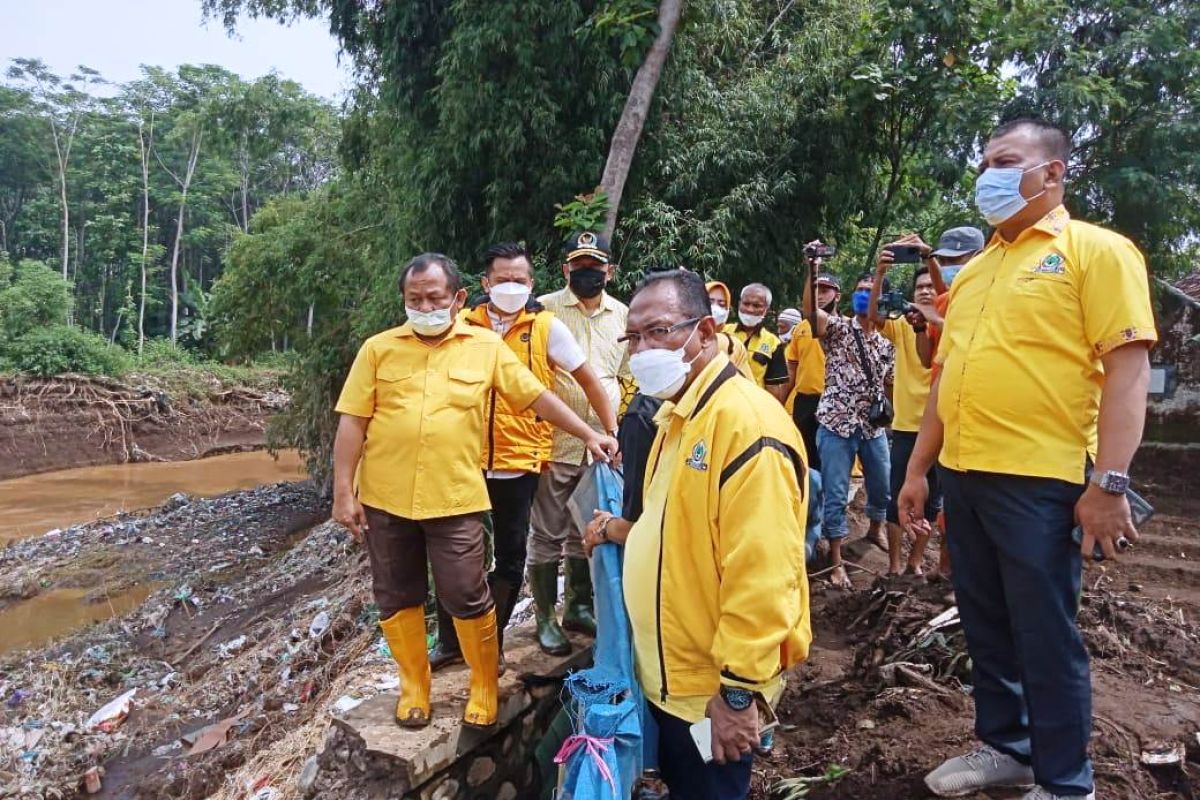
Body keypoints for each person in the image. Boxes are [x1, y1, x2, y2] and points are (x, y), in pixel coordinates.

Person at [899, 118, 1156, 800]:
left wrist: (1110, 482)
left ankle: (1066, 782)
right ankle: (1007, 749)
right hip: (967, 474)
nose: (987, 173)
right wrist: (920, 470)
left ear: (1052, 173)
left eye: (1005, 160)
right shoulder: (978, 270)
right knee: (985, 622)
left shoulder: (1095, 252)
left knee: (1045, 633)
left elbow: (1127, 371)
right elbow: (946, 378)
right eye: (983, 161)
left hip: (1042, 479)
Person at [331, 253, 619, 730]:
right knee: (396, 593)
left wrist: (589, 433)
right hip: (385, 497)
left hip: (455, 497)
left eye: (434, 298)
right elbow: (352, 423)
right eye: (414, 299)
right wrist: (344, 492)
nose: (424, 306)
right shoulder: (378, 349)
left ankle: (483, 681)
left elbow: (536, 397)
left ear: (458, 298)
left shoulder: (485, 347)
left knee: (466, 590)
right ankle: (414, 686)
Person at [584, 268, 810, 800]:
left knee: (713, 789)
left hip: (712, 693)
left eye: (658, 331)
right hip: (671, 680)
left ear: (705, 333)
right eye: (633, 337)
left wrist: (736, 697)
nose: (642, 349)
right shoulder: (677, 418)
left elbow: (764, 576)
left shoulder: (748, 428)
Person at [427, 242, 619, 672]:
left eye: (519, 280)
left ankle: (489, 642)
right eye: (502, 279)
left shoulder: (546, 327)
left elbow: (588, 379)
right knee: (455, 553)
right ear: (485, 283)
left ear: (531, 284)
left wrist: (608, 431)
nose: (510, 287)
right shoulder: (462, 325)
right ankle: (449, 641)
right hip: (464, 460)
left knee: (511, 555)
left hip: (520, 459)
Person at [527, 231, 629, 656]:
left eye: (596, 266)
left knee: (582, 532)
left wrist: (620, 427)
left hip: (602, 446)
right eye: (579, 266)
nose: (588, 273)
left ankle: (578, 607)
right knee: (546, 531)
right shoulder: (543, 311)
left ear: (609, 270)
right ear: (566, 268)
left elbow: (623, 374)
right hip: (554, 443)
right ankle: (545, 618)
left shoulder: (622, 314)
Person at [803, 266, 895, 589]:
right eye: (860, 290)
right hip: (836, 424)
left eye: (871, 292)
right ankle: (837, 560)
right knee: (836, 493)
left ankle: (875, 528)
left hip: (872, 428)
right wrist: (811, 270)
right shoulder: (839, 328)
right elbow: (812, 316)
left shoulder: (886, 345)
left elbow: (889, 383)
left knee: (883, 485)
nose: (864, 296)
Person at [869, 241, 942, 576]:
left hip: (943, 427)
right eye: (919, 286)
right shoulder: (902, 325)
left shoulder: (949, 323)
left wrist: (930, 257)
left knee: (933, 501)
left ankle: (915, 562)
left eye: (930, 285)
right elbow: (873, 317)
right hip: (907, 427)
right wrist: (881, 273)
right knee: (897, 496)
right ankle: (896, 565)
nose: (925, 291)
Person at [783, 268, 840, 473]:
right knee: (803, 460)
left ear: (837, 295)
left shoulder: (846, 327)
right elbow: (792, 366)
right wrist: (781, 401)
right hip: (805, 402)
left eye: (826, 290)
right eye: (817, 290)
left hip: (834, 401)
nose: (820, 295)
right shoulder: (801, 328)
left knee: (830, 461)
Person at [722, 283, 789, 401]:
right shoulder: (723, 332)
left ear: (766, 310)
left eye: (756, 305)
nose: (750, 309)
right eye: (746, 304)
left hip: (753, 406)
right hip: (721, 401)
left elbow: (773, 389)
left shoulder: (773, 343)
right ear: (739, 304)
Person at [706, 280, 753, 376]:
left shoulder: (733, 346)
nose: (714, 308)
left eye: (721, 304)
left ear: (727, 310)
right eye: (710, 302)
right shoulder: (684, 339)